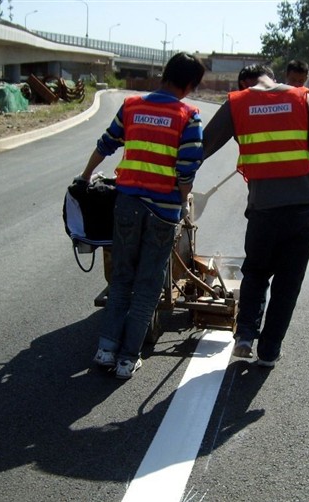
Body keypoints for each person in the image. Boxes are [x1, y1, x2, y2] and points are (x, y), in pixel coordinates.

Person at [74, 52, 205, 379]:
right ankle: (127, 359)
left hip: (128, 205)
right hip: (162, 212)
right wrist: (183, 205)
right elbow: (186, 170)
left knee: (121, 278)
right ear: (189, 86)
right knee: (147, 285)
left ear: (164, 75)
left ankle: (105, 350)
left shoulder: (132, 106)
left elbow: (106, 144)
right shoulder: (188, 115)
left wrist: (85, 176)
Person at [202, 64, 309, 367]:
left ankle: (246, 335)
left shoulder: (237, 103)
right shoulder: (302, 98)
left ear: (244, 85)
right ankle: (269, 350)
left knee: (256, 273)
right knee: (288, 283)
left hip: (263, 212)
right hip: (302, 210)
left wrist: (174, 180)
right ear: (273, 77)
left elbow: (202, 147)